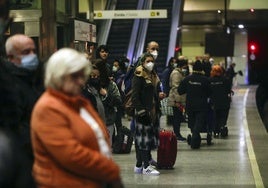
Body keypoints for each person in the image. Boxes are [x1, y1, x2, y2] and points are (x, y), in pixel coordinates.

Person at [31, 48, 123, 188]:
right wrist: (110, 169)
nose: (81, 81)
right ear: (58, 75)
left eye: (82, 76)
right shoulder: (48, 108)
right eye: (75, 76)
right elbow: (71, 155)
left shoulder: (77, 101)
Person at [5, 34, 44, 160]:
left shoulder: (37, 78)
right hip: (25, 155)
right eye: (26, 52)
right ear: (11, 57)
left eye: (34, 51)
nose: (32, 55)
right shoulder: (8, 86)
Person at [132, 53, 161, 175]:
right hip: (143, 112)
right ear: (143, 62)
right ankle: (146, 167)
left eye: (152, 61)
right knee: (143, 140)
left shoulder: (152, 75)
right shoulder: (139, 75)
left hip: (152, 111)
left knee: (142, 140)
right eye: (148, 61)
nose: (150, 63)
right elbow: (135, 96)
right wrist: (141, 111)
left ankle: (139, 165)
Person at [178, 60, 211, 149]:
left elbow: (180, 91)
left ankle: (195, 139)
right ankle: (195, 140)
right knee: (199, 123)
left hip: (190, 105)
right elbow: (209, 93)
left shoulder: (187, 79)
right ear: (202, 69)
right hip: (202, 105)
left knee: (192, 124)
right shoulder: (205, 80)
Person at [95, 58, 122, 145]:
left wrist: (106, 95)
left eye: (96, 69)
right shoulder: (88, 85)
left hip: (108, 122)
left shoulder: (111, 85)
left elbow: (118, 101)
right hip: (93, 123)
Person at [209, 65, 232, 138]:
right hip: (224, 101)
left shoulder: (209, 80)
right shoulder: (225, 80)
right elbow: (228, 90)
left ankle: (216, 131)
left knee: (215, 117)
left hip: (214, 102)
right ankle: (222, 127)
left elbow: (207, 92)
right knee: (223, 116)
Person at [168, 58, 188, 141]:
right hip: (176, 100)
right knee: (177, 118)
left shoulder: (179, 73)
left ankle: (177, 133)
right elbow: (175, 88)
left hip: (179, 99)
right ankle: (177, 134)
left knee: (178, 118)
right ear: (181, 66)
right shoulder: (176, 74)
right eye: (185, 67)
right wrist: (177, 101)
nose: (185, 69)